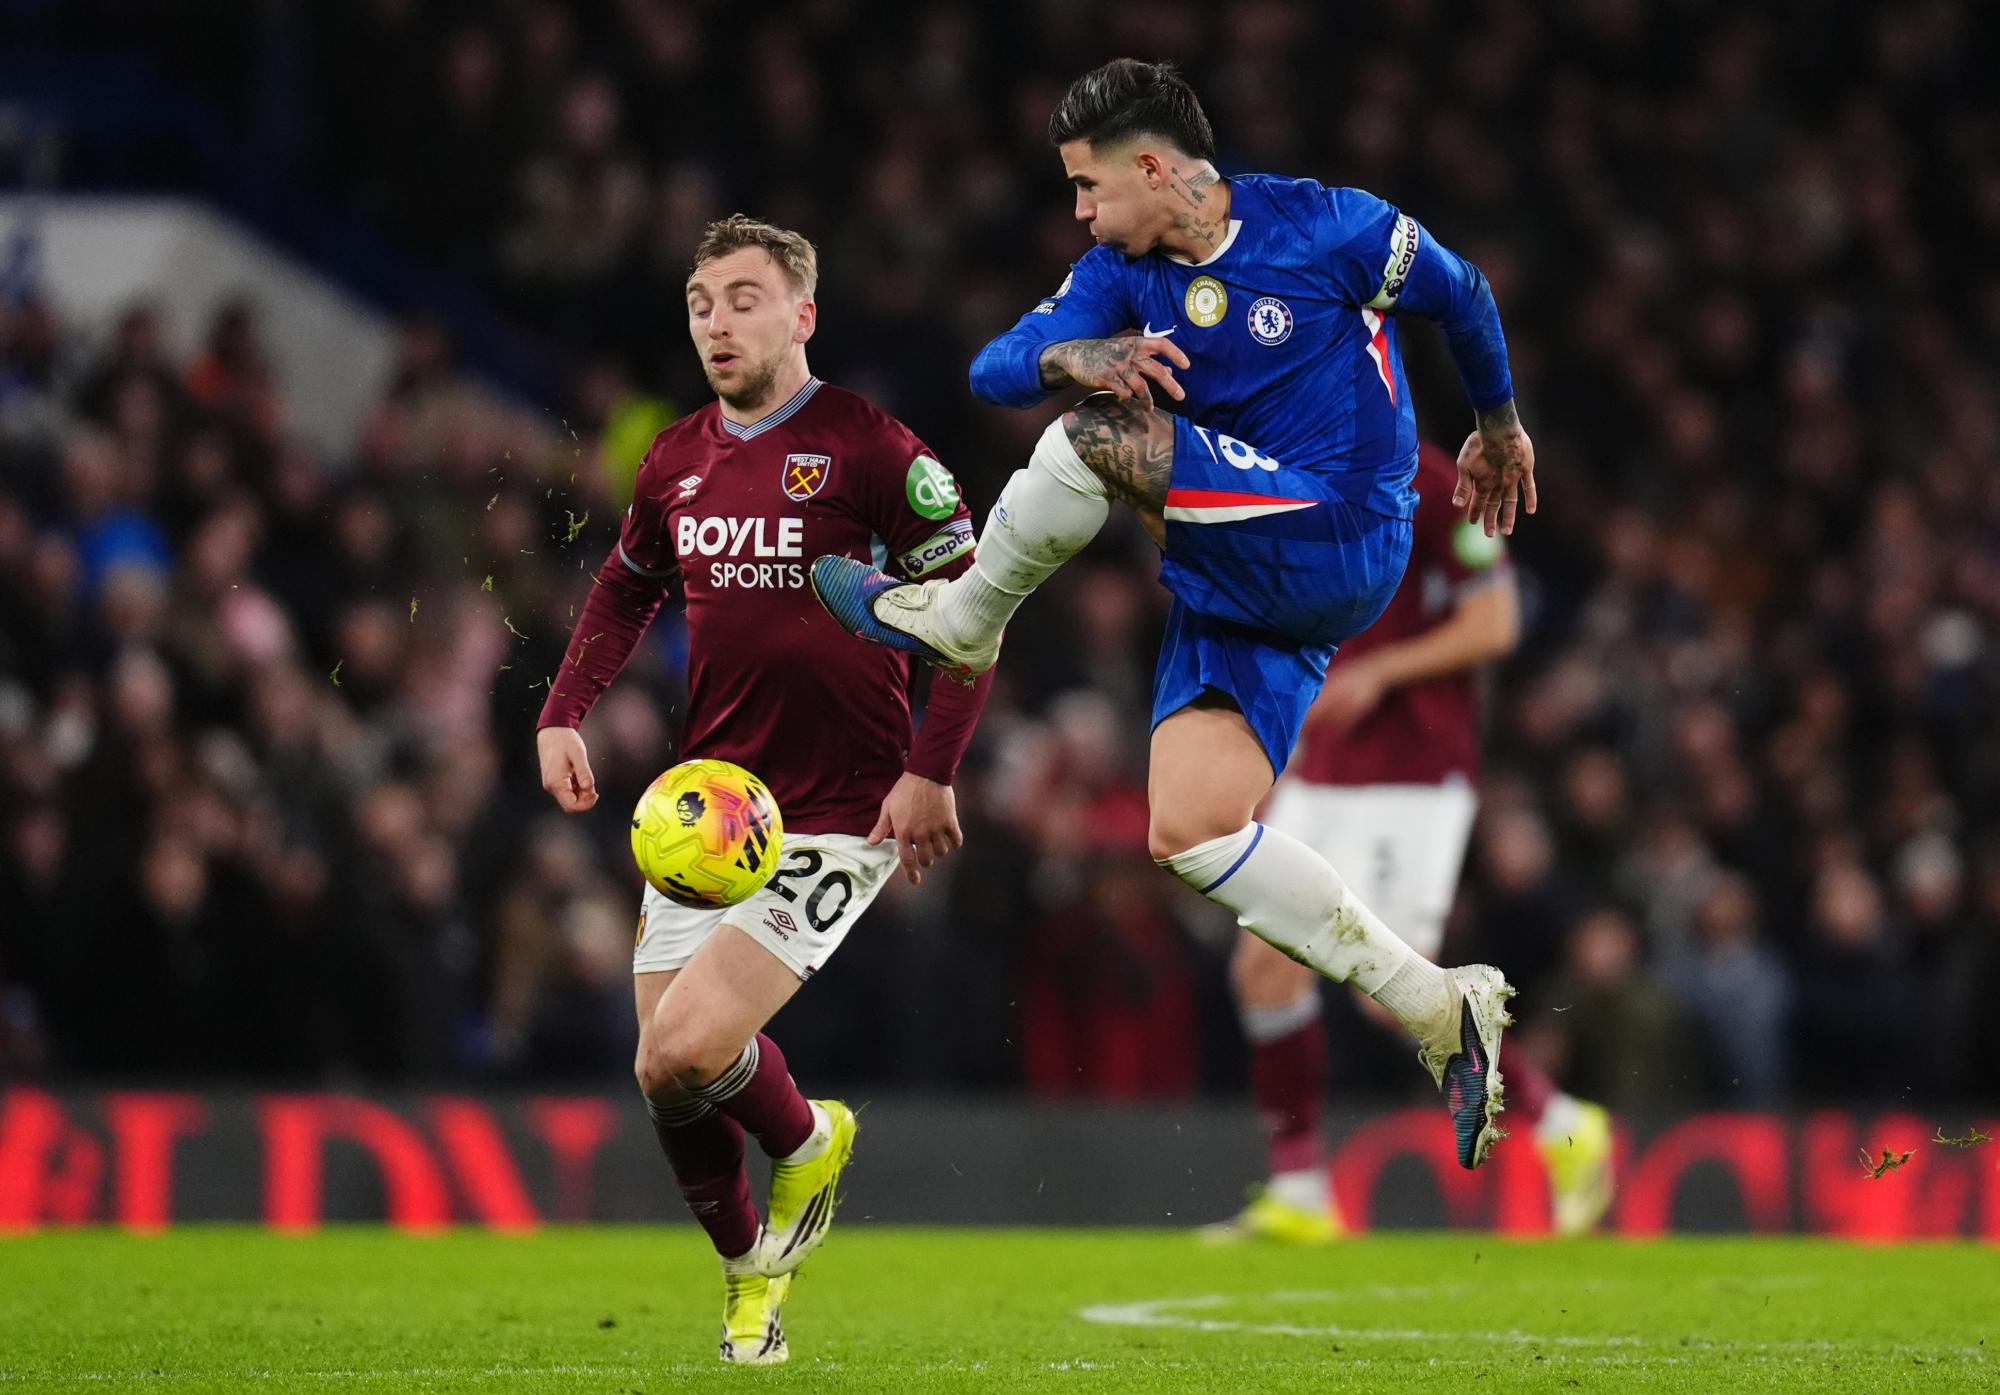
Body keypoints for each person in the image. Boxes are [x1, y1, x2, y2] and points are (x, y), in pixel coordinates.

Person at [813, 59, 1537, 1169]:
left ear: (1152, 168)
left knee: (1092, 436)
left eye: (1086, 185)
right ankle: (1438, 1005)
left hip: (1341, 525)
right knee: (1189, 831)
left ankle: (963, 617)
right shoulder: (1119, 275)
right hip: (1237, 579)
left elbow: (1461, 290)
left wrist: (1497, 423)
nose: (1078, 211)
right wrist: (1074, 349)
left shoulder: (1324, 225)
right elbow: (993, 368)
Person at [535, 215, 993, 1364]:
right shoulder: (674, 458)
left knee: (691, 1046)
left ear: (802, 315)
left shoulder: (872, 448)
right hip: (714, 811)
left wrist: (929, 769)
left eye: (743, 299)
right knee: (663, 1073)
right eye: (700, 305)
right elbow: (626, 587)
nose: (716, 323)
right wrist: (561, 711)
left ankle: (804, 1140)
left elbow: (973, 615)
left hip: (841, 807)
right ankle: (750, 1278)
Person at [1207, 445, 1614, 1244]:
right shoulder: (1291, 473)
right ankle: (1299, 1188)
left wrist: (1381, 673)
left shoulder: (1434, 484)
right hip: (1326, 769)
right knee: (1262, 965)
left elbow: (1495, 623)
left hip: (1415, 773)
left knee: (1387, 996)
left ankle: (1564, 1124)